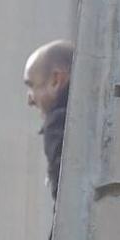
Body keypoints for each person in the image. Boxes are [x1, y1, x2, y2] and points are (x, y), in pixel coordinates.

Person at [24, 40, 73, 201]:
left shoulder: (59, 123)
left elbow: (66, 207)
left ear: (56, 80)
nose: (29, 100)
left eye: (31, 85)